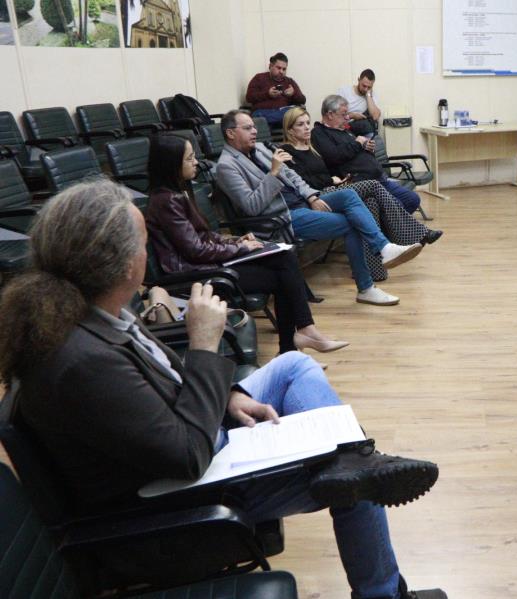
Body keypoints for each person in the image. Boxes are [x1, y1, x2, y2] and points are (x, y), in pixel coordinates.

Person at [0, 179, 446, 599]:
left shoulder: (85, 311)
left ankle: (343, 459)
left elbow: (160, 383)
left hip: (180, 436)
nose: (147, 253)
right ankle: (379, 579)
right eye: (142, 245)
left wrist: (228, 393)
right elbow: (189, 454)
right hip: (178, 500)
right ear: (121, 264)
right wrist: (204, 344)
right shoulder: (83, 361)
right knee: (362, 481)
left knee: (293, 366)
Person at [146, 134, 347, 355]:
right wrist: (240, 248)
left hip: (205, 263)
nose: (196, 162)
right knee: (283, 275)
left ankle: (299, 339)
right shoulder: (166, 201)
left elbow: (204, 236)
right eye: (189, 158)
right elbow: (195, 250)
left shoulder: (180, 191)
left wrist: (235, 240)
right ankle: (295, 344)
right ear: (171, 164)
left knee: (284, 257)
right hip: (193, 274)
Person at [216, 109, 423, 306]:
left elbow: (293, 177)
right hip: (283, 217)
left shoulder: (259, 148)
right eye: (247, 128)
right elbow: (252, 206)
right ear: (231, 133)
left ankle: (384, 248)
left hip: (303, 202)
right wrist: (273, 173)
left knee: (349, 194)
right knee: (352, 223)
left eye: (253, 127)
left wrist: (312, 196)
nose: (254, 131)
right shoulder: (226, 166)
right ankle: (366, 287)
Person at [281, 107, 443, 282]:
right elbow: (303, 182)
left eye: (307, 123)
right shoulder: (287, 152)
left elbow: (322, 173)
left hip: (331, 190)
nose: (306, 127)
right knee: (373, 186)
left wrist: (336, 179)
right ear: (290, 129)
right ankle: (414, 234)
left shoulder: (310, 147)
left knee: (372, 202)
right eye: (300, 124)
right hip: (317, 198)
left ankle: (376, 271)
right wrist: (330, 180)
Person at [312, 95, 422, 215]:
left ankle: (390, 230)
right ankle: (392, 230)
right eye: (343, 114)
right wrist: (358, 143)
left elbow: (356, 150)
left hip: (379, 177)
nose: (347, 117)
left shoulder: (344, 130)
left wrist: (367, 147)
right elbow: (334, 156)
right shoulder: (319, 133)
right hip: (361, 182)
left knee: (412, 199)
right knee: (396, 206)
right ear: (330, 114)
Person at [245, 52, 306, 128]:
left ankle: (271, 121)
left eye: (284, 69)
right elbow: (249, 97)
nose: (281, 71)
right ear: (270, 66)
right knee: (259, 116)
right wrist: (267, 94)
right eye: (278, 68)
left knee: (296, 111)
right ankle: (272, 121)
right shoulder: (259, 78)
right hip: (263, 112)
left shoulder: (289, 81)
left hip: (281, 114)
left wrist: (293, 93)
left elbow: (302, 100)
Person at [338, 68, 382, 137]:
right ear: (358, 80)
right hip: (345, 125)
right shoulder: (344, 91)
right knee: (365, 125)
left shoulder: (371, 94)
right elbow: (336, 116)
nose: (365, 89)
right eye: (364, 86)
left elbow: (375, 116)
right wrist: (352, 115)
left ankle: (367, 143)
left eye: (369, 87)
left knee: (370, 123)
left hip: (363, 127)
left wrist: (368, 95)